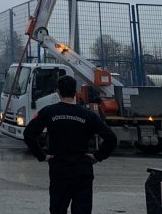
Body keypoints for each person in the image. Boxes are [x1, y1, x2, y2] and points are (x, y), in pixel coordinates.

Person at [23, 75, 117, 214]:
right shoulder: (88, 115)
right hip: (82, 170)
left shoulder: (49, 111)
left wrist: (42, 156)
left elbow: (28, 134)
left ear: (58, 92)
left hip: (59, 169)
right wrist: (97, 156)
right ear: (75, 91)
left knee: (58, 209)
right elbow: (111, 138)